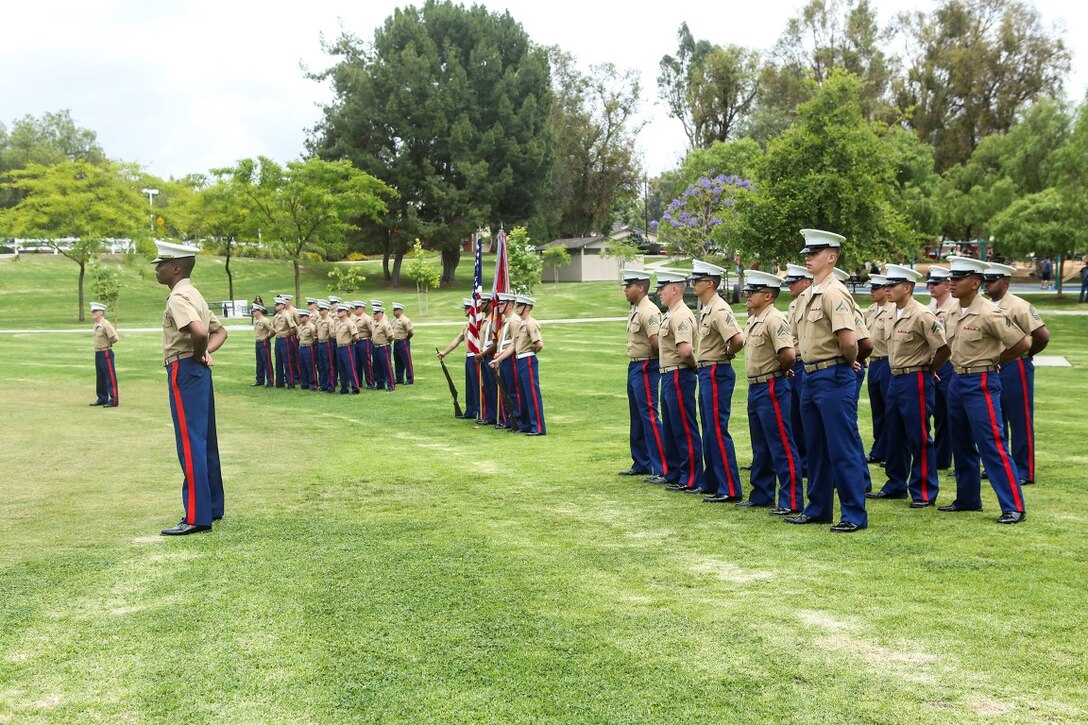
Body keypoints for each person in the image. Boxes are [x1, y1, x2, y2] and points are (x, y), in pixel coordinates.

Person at [786, 229, 870, 533]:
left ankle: (853, 514)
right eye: (807, 253)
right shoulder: (809, 293)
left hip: (833, 374)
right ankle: (819, 507)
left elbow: (850, 341)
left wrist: (849, 365)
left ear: (831, 257)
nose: (808, 257)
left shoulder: (834, 293)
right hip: (811, 376)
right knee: (817, 447)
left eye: (815, 253)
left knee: (841, 446)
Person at [940, 256, 1030, 524]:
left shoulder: (990, 312)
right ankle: (968, 499)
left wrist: (997, 361)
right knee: (961, 443)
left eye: (958, 279)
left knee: (992, 443)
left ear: (975, 282)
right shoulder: (954, 311)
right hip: (957, 380)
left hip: (981, 381)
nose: (952, 283)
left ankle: (1013, 505)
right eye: (951, 278)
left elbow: (1022, 343)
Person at [153, 241, 227, 536]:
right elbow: (220, 331)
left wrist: (199, 352)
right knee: (205, 439)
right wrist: (206, 352)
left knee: (190, 442)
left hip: (184, 369)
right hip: (198, 372)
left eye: (161, 264)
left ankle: (197, 515)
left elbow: (198, 331)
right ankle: (213, 506)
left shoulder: (178, 297)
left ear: (176, 267)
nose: (157, 269)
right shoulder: (195, 294)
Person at [867, 265, 949, 506]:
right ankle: (895, 484)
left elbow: (943, 347)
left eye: (892, 285)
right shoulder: (892, 313)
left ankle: (924, 490)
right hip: (895, 378)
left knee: (919, 435)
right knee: (894, 434)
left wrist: (930, 369)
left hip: (915, 378)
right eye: (886, 285)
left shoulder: (922, 314)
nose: (887, 289)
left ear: (907, 287)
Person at [741, 271, 803, 514]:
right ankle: (762, 494)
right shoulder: (754, 318)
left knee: (781, 444)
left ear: (767, 295)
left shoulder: (774, 319)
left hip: (770, 385)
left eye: (752, 292)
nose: (747, 295)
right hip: (756, 386)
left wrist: (782, 370)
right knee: (761, 445)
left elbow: (788, 354)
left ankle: (791, 500)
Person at [983, 262, 1049, 486]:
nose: (987, 283)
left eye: (992, 280)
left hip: (1014, 365)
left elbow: (1042, 335)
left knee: (1019, 418)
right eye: (986, 279)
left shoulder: (1019, 306)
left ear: (1006, 282)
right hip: (993, 366)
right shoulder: (986, 305)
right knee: (996, 419)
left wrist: (1027, 354)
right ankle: (1002, 466)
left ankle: (1024, 470)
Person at [689, 260, 745, 503]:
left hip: (716, 371)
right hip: (707, 371)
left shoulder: (719, 309)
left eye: (697, 280)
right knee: (709, 429)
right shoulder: (707, 308)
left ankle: (730, 487)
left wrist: (727, 354)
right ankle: (712, 480)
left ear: (710, 283)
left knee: (717, 430)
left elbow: (738, 339)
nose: (693, 284)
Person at [654, 270, 703, 492]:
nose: (659, 293)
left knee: (684, 427)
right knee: (672, 427)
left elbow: (685, 350)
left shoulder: (681, 314)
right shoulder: (670, 314)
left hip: (679, 374)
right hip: (668, 374)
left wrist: (694, 367)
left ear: (674, 289)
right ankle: (674, 472)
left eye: (662, 288)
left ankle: (691, 477)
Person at [617, 269, 667, 480]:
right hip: (635, 365)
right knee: (637, 415)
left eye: (629, 286)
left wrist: (652, 363)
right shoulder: (637, 309)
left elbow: (656, 342)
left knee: (648, 415)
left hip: (647, 365)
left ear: (641, 287)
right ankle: (642, 462)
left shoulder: (649, 311)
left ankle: (661, 466)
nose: (626, 290)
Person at [782, 264, 813, 479]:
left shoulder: (813, 302)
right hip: (795, 364)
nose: (790, 285)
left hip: (807, 364)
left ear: (806, 282)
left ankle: (813, 463)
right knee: (795, 417)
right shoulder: (794, 305)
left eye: (794, 281)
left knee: (808, 419)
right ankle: (802, 462)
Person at [926, 266, 956, 470]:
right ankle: (941, 456)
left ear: (947, 285)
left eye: (935, 283)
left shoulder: (953, 307)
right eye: (929, 283)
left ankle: (949, 457)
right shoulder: (931, 306)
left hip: (949, 364)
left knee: (951, 412)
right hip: (935, 363)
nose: (931, 287)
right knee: (937, 411)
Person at [863, 275, 892, 465]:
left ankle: (891, 450)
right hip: (874, 362)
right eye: (871, 288)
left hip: (888, 362)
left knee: (890, 409)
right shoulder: (871, 311)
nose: (872, 291)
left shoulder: (892, 310)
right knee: (878, 410)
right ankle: (879, 449)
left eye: (876, 288)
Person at [437, 299, 481, 421]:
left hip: (476, 357)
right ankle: (470, 411)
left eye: (467, 308)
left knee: (477, 386)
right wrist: (444, 352)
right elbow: (458, 339)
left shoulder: (478, 324)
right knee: (470, 386)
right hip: (468, 357)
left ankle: (480, 411)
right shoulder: (467, 325)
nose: (465, 311)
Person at [509, 295, 546, 435]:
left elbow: (539, 344)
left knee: (532, 394)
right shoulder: (521, 324)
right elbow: (514, 345)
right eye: (517, 305)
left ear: (527, 307)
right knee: (523, 394)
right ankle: (527, 424)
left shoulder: (531, 323)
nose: (517, 307)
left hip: (528, 359)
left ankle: (538, 427)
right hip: (520, 359)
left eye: (520, 305)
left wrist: (531, 353)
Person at [491, 293, 523, 430]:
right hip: (503, 358)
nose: (499, 307)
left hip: (510, 359)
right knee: (505, 390)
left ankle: (516, 419)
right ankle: (509, 419)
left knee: (513, 391)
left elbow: (515, 344)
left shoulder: (514, 320)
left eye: (502, 304)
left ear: (510, 305)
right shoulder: (506, 321)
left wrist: (500, 356)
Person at [88, 302, 120, 407]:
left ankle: (114, 400)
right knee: (100, 377)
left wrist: (108, 344)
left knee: (110, 376)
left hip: (106, 352)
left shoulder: (106, 324)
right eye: (92, 311)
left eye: (95, 311)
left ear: (101, 312)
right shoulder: (96, 325)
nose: (92, 313)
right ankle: (102, 398)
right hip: (98, 352)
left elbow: (115, 338)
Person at [333, 303, 360, 394]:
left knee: (350, 368)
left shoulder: (349, 323)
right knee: (341, 368)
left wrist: (349, 342)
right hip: (339, 348)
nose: (338, 313)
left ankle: (355, 387)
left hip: (347, 347)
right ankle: (344, 388)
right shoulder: (337, 323)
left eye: (340, 311)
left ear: (345, 312)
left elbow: (356, 336)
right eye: (338, 311)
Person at [272, 296, 297, 388]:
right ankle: (279, 383)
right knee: (278, 361)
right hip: (278, 339)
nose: (276, 306)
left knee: (287, 362)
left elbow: (293, 327)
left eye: (278, 304)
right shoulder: (276, 316)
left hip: (285, 339)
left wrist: (288, 335)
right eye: (275, 304)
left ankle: (291, 382)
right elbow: (275, 328)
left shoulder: (286, 315)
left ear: (283, 305)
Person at [370, 304, 395, 391]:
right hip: (375, 347)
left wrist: (386, 343)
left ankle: (390, 385)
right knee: (377, 366)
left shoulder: (385, 324)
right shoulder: (374, 323)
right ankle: (380, 384)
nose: (374, 315)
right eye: (374, 313)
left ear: (381, 313)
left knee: (386, 366)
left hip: (383, 347)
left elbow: (391, 336)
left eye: (376, 313)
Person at [250, 303, 275, 388]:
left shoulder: (265, 320)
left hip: (264, 342)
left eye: (255, 311)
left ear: (259, 311)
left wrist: (268, 338)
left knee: (267, 361)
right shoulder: (256, 320)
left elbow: (273, 331)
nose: (253, 312)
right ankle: (259, 380)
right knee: (259, 361)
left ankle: (270, 381)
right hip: (258, 342)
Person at [353, 301, 375, 389]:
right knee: (357, 363)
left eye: (357, 308)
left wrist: (367, 338)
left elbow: (371, 331)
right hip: (357, 342)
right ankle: (359, 382)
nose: (355, 310)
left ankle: (370, 383)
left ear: (362, 308)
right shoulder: (355, 318)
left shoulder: (366, 318)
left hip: (364, 341)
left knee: (367, 363)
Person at [391, 303, 415, 385]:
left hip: (403, 341)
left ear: (401, 310)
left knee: (407, 360)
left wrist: (406, 338)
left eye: (395, 310)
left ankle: (410, 378)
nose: (394, 311)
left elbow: (411, 332)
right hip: (396, 342)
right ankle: (399, 378)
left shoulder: (405, 320)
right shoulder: (394, 321)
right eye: (393, 310)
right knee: (397, 361)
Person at [315, 300, 335, 392]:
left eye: (322, 309)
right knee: (320, 365)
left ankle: (330, 385)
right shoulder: (318, 321)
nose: (320, 311)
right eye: (319, 310)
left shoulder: (330, 321)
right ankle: (323, 384)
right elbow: (316, 332)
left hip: (327, 343)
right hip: (320, 343)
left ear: (326, 310)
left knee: (329, 365)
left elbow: (332, 334)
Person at [296, 309, 319, 391]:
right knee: (302, 366)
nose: (300, 318)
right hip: (301, 347)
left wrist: (311, 345)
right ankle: (305, 383)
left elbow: (315, 339)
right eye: (299, 316)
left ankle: (313, 383)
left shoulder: (312, 327)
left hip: (309, 347)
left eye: (302, 317)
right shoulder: (299, 327)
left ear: (307, 317)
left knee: (310, 366)